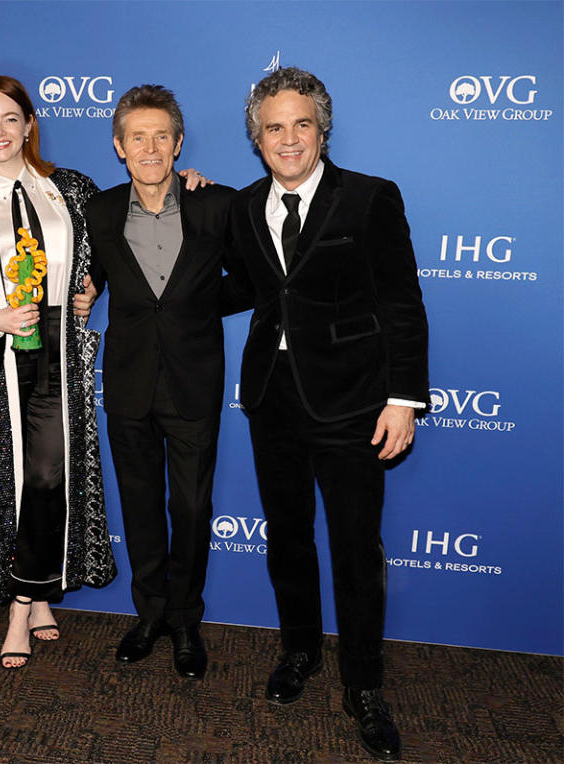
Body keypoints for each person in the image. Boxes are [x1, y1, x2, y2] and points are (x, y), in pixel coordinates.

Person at [224, 67, 429, 762]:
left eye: (301, 124)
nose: (288, 139)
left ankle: (364, 686)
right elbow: (237, 284)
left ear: (322, 129)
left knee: (354, 551)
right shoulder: (245, 206)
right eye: (273, 127)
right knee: (287, 540)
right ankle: (300, 651)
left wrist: (405, 399)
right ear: (257, 138)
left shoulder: (370, 199)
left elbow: (402, 300)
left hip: (354, 403)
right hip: (272, 398)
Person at [0, 76, 116, 669]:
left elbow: (106, 248)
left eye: (10, 118)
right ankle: (27, 601)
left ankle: (32, 593)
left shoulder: (69, 187)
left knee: (51, 474)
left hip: (62, 356)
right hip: (3, 364)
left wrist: (92, 286)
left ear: (29, 123)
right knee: (23, 478)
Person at [86, 85, 243, 680]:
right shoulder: (99, 212)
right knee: (142, 508)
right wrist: (87, 292)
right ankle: (148, 614)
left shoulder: (216, 204)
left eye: (161, 136)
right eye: (137, 137)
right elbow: (94, 274)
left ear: (178, 144)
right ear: (120, 147)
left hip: (193, 384)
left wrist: (198, 307)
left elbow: (252, 280)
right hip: (127, 383)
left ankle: (184, 620)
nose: (149, 147)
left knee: (193, 507)